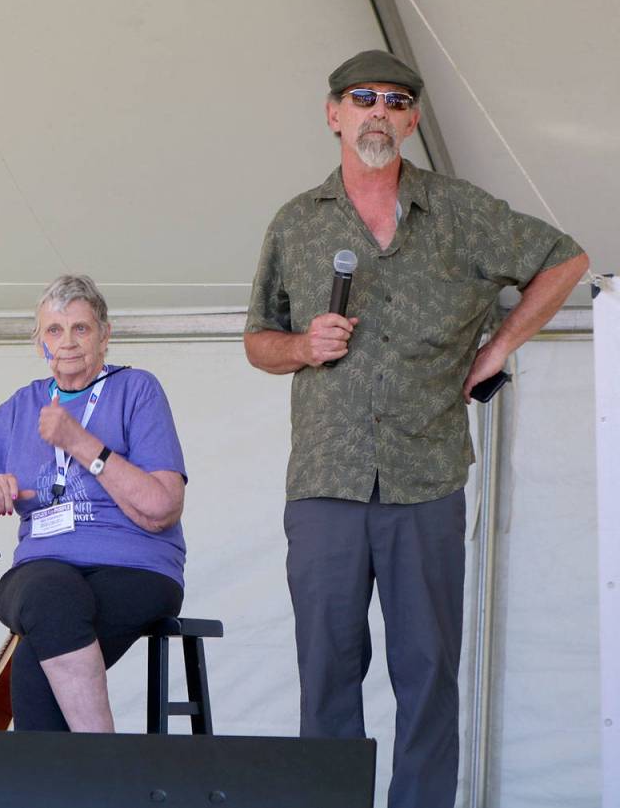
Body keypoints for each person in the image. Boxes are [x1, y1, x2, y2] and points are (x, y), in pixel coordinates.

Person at [243, 49, 589, 808]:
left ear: (412, 121)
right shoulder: (297, 223)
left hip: (426, 478)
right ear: (334, 114)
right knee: (327, 670)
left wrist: (497, 348)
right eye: (363, 98)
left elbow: (564, 260)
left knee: (428, 672)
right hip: (327, 483)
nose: (379, 112)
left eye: (395, 101)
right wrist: (303, 346)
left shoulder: (460, 212)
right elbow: (257, 339)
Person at [0, 274, 187, 732]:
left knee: (34, 664)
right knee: (49, 592)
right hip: (43, 569)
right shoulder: (21, 406)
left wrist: (80, 443)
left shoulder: (136, 389)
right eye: (54, 330)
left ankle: (91, 768)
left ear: (105, 335)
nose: (67, 342)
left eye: (81, 328)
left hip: (134, 569)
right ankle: (105, 766)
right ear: (38, 342)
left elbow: (163, 507)